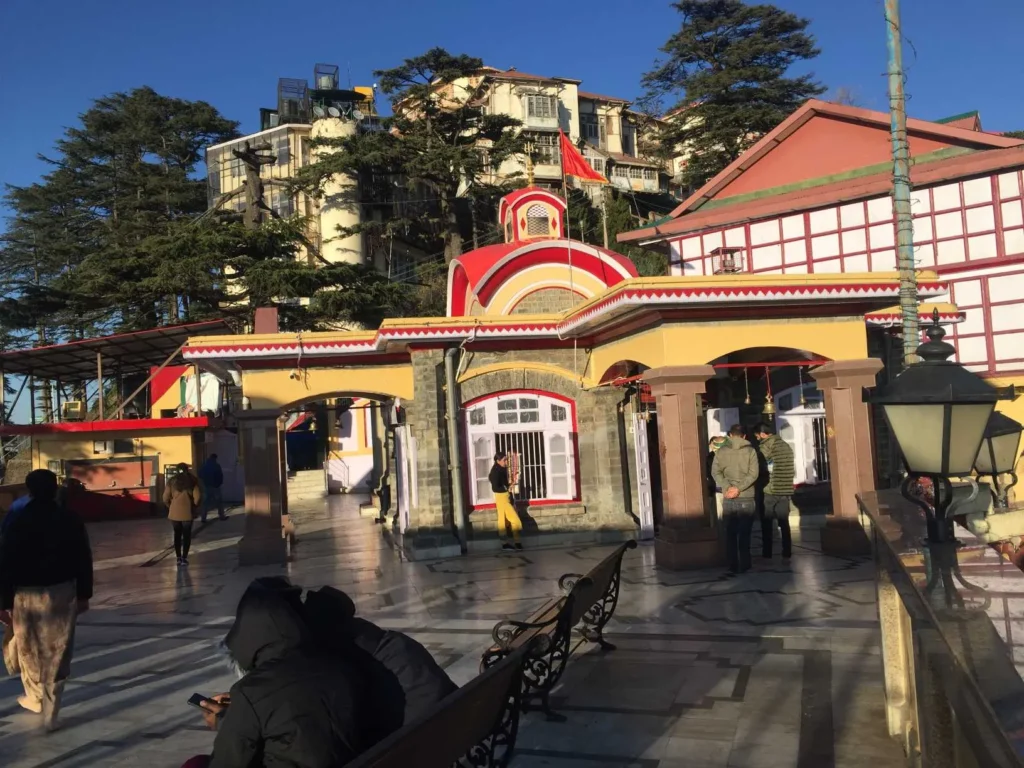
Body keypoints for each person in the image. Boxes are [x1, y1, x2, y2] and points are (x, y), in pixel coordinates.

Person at [190, 579, 374, 768]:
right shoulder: (338, 665)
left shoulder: (252, 692)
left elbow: (227, 762)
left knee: (195, 764)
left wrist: (224, 721)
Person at [0, 469, 93, 731]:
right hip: (62, 592)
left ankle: (37, 697)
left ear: (29, 490)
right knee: (59, 651)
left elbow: (6, 562)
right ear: (55, 489)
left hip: (26, 594)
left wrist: (4, 600)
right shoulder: (70, 519)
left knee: (29, 649)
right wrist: (84, 593)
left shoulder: (18, 520)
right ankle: (52, 708)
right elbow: (83, 559)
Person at [711, 425, 760, 574]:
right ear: (744, 436)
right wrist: (739, 488)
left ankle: (732, 564)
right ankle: (745, 563)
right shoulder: (751, 451)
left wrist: (727, 487)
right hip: (746, 496)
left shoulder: (720, 452)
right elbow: (754, 474)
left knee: (730, 533)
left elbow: (715, 472)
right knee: (745, 533)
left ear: (730, 436)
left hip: (728, 497)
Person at [754, 423, 796, 560]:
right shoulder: (785, 445)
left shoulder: (765, 446)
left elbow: (760, 468)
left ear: (762, 434)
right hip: (784, 489)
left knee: (767, 522)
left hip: (769, 489)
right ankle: (787, 551)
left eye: (757, 436)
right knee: (784, 522)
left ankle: (767, 552)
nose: (757, 439)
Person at [164, 464, 201, 566]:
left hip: (174, 513)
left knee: (177, 534)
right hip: (188, 513)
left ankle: (178, 558)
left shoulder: (171, 481)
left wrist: (170, 506)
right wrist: (193, 507)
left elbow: (165, 498)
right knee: (187, 536)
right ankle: (184, 558)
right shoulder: (193, 481)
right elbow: (197, 498)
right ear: (187, 470)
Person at [488, 451, 522, 550]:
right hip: (501, 498)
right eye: (504, 460)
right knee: (510, 520)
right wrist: (506, 488)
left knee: (507, 521)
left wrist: (508, 486)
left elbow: (504, 483)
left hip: (506, 496)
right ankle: (505, 543)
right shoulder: (495, 471)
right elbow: (495, 487)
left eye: (506, 459)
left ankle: (517, 542)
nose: (506, 461)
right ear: (498, 461)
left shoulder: (502, 469)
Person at [198, 454, 226, 523]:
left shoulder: (204, 466)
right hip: (215, 486)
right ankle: (221, 516)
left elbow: (200, 474)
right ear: (215, 458)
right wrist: (219, 483)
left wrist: (205, 481)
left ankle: (203, 518)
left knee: (205, 503)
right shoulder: (216, 466)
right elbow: (220, 476)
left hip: (207, 486)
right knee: (219, 502)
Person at [707, 436, 727, 523]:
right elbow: (709, 472)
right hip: (716, 489)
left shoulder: (729, 456)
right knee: (718, 514)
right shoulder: (710, 457)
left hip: (728, 489)